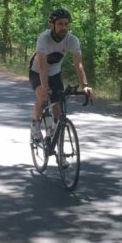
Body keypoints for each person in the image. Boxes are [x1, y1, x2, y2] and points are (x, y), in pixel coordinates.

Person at [29, 7, 94, 143]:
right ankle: (35, 124)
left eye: (66, 24)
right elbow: (42, 66)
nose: (63, 27)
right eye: (60, 24)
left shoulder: (72, 40)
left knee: (57, 105)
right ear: (52, 24)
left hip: (55, 73)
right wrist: (45, 87)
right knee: (42, 96)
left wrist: (85, 85)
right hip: (37, 71)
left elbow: (79, 65)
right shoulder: (44, 38)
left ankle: (58, 146)